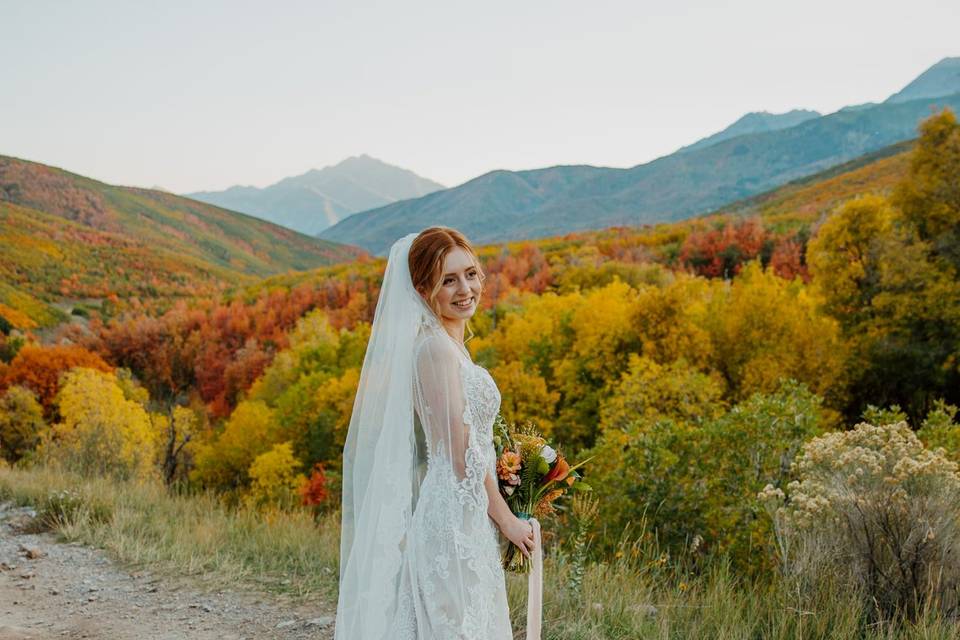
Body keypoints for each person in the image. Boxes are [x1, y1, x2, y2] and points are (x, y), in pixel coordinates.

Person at [335, 227, 536, 640]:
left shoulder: (450, 346)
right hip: (453, 516)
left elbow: (476, 443)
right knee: (457, 627)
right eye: (448, 280)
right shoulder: (434, 351)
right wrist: (508, 522)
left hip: (466, 509)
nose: (465, 289)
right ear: (423, 289)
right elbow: (463, 456)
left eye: (471, 274)